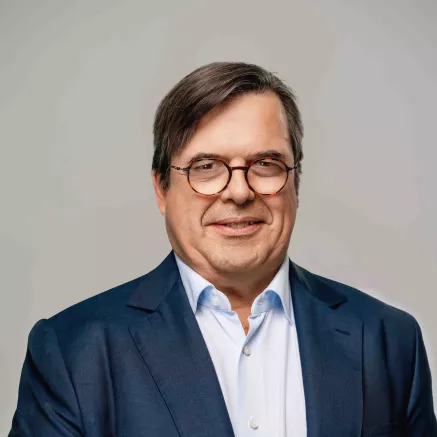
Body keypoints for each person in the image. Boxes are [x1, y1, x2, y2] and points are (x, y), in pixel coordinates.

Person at [9, 62, 436, 437]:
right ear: (161, 188)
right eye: (206, 167)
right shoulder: (73, 352)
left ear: (296, 183)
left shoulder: (388, 340)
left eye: (265, 165)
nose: (238, 192)